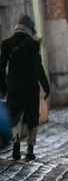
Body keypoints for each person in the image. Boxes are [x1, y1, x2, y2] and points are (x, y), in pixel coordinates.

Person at [0, 14, 50, 160]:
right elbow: (38, 67)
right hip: (30, 87)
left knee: (16, 116)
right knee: (32, 117)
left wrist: (3, 87)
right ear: (30, 29)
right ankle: (30, 149)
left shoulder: (7, 43)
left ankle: (16, 143)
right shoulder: (33, 45)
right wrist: (46, 86)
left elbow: (1, 68)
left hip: (14, 86)